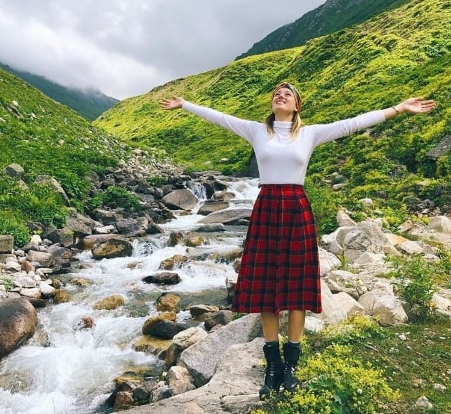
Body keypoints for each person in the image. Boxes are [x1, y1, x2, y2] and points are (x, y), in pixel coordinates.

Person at [160, 82, 436, 399]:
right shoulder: (255, 130)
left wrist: (398, 109)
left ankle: (290, 366)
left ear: (297, 106)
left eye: (288, 93)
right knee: (266, 288)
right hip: (266, 208)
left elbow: (353, 123)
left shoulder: (309, 134)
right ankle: (273, 365)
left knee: (295, 290)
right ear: (271, 102)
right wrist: (186, 105)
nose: (281, 94)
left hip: (295, 207)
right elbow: (220, 117)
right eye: (277, 91)